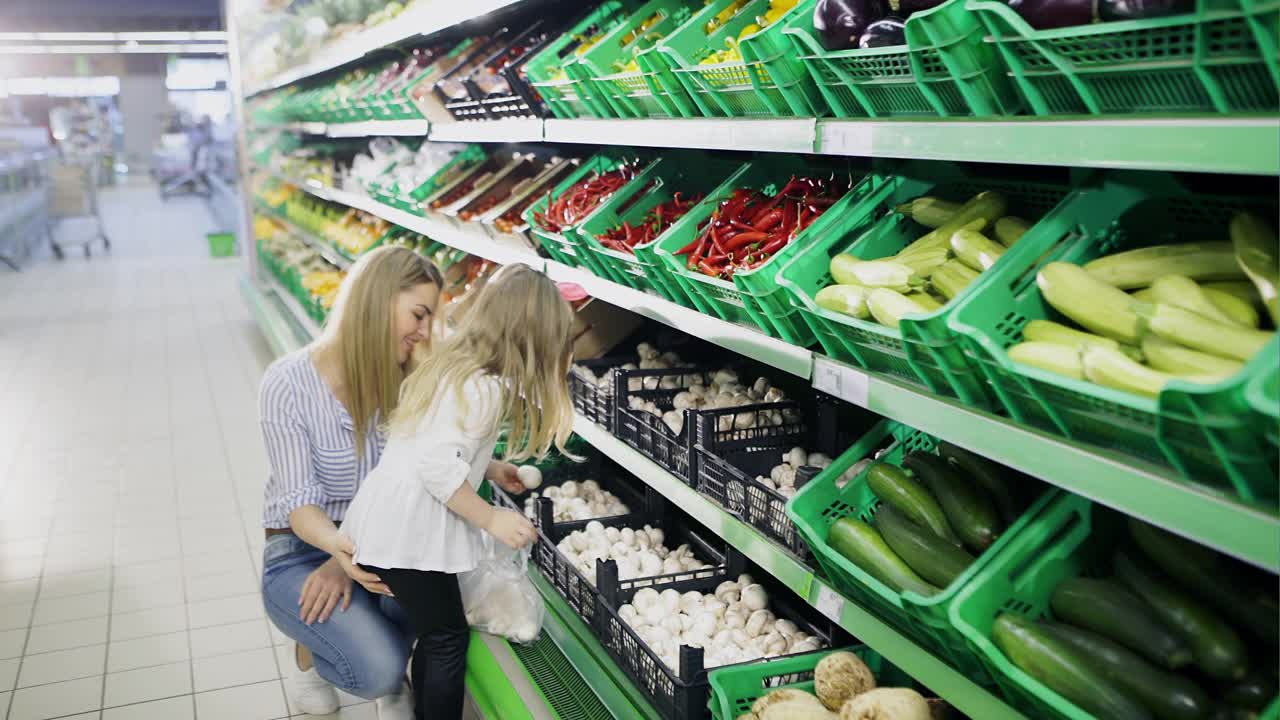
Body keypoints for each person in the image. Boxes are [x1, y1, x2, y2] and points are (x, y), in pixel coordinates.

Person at [260, 246, 510, 719]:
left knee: (434, 581)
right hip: (304, 545)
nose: (423, 332)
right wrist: (340, 553)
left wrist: (488, 467)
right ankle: (310, 652)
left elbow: (421, 455)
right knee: (377, 669)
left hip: (375, 536)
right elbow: (298, 503)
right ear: (376, 300)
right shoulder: (287, 382)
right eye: (418, 314)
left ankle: (371, 638)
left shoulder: (408, 376)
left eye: (431, 319)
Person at [339, 263, 577, 720]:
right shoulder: (484, 389)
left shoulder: (456, 367)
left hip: (393, 520)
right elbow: (436, 466)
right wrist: (491, 518)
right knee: (448, 639)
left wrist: (492, 467)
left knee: (438, 633)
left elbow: (441, 443)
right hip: (408, 531)